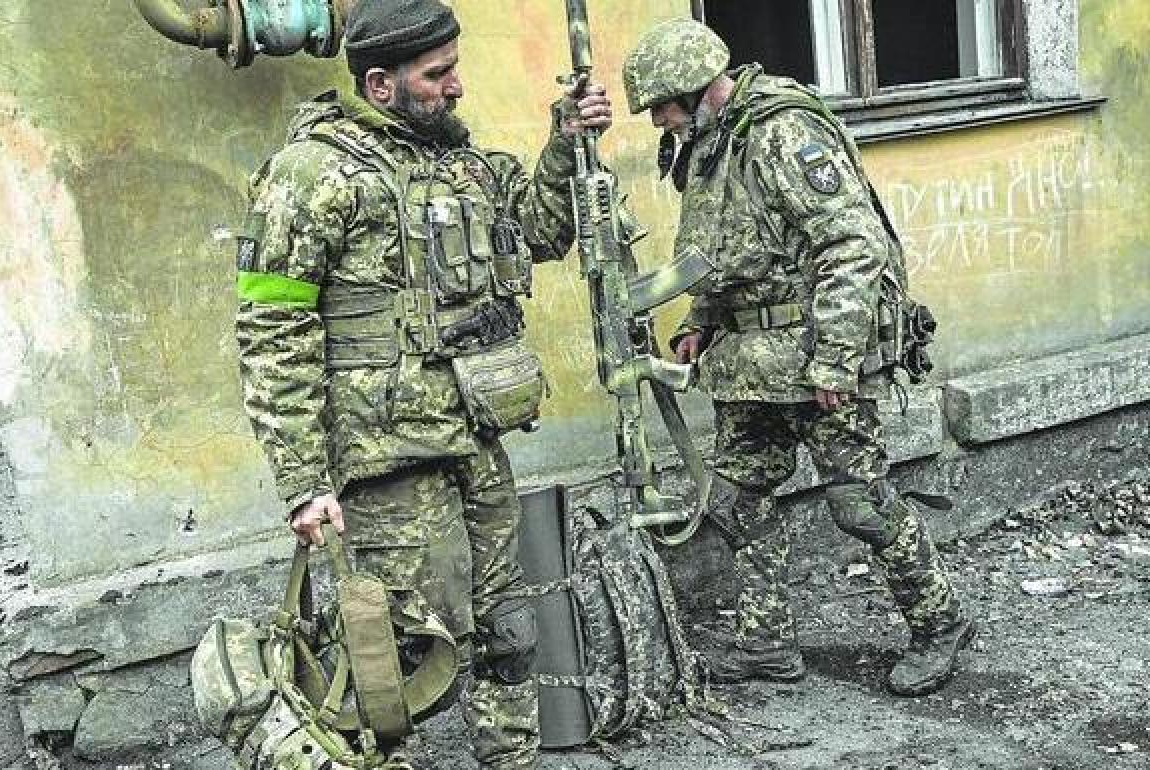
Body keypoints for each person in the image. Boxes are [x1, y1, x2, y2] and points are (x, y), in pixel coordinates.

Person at [234, 1, 613, 767]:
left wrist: (567, 143)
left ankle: (509, 755)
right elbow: (272, 333)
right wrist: (305, 482)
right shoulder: (311, 176)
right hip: (386, 461)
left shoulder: (459, 163)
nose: (456, 89)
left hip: (472, 436)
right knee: (405, 646)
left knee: (508, 623)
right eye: (438, 76)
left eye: (455, 69)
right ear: (381, 84)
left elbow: (541, 230)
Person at [621, 18, 973, 697]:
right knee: (742, 500)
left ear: (695, 89)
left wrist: (838, 360)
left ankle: (942, 621)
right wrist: (701, 321)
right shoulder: (709, 143)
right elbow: (720, 251)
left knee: (859, 504)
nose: (657, 120)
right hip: (750, 362)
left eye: (662, 104)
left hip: (815, 358)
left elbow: (852, 245)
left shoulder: (783, 132)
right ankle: (766, 645)